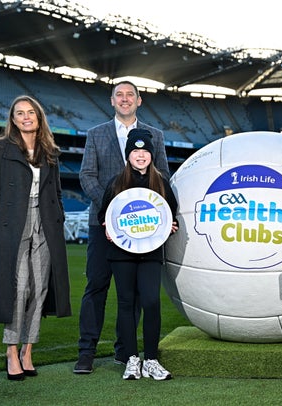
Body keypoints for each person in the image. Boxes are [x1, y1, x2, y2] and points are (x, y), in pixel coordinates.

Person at [74, 81, 171, 374]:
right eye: (120, 94)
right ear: (112, 101)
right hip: (103, 226)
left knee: (136, 293)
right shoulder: (95, 134)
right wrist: (110, 211)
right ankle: (86, 352)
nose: (125, 99)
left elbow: (164, 175)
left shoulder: (156, 135)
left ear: (139, 100)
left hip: (143, 229)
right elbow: (87, 175)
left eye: (130, 94)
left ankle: (124, 350)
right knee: (96, 286)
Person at [0, 95, 71, 381]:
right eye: (20, 113)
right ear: (13, 119)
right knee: (17, 290)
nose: (26, 117)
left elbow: (56, 192)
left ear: (39, 116)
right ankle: (11, 350)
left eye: (30, 112)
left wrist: (59, 217)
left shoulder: (49, 151)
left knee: (40, 288)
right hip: (12, 225)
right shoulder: (1, 149)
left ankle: (28, 350)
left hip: (46, 224)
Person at [99, 128, 178, 380]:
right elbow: (104, 216)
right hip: (121, 254)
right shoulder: (116, 182)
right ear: (128, 155)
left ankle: (151, 360)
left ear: (151, 155)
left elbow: (171, 216)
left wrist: (172, 226)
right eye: (135, 151)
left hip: (150, 253)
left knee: (151, 303)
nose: (140, 155)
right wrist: (108, 229)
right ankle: (132, 359)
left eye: (145, 151)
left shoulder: (161, 183)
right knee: (126, 304)